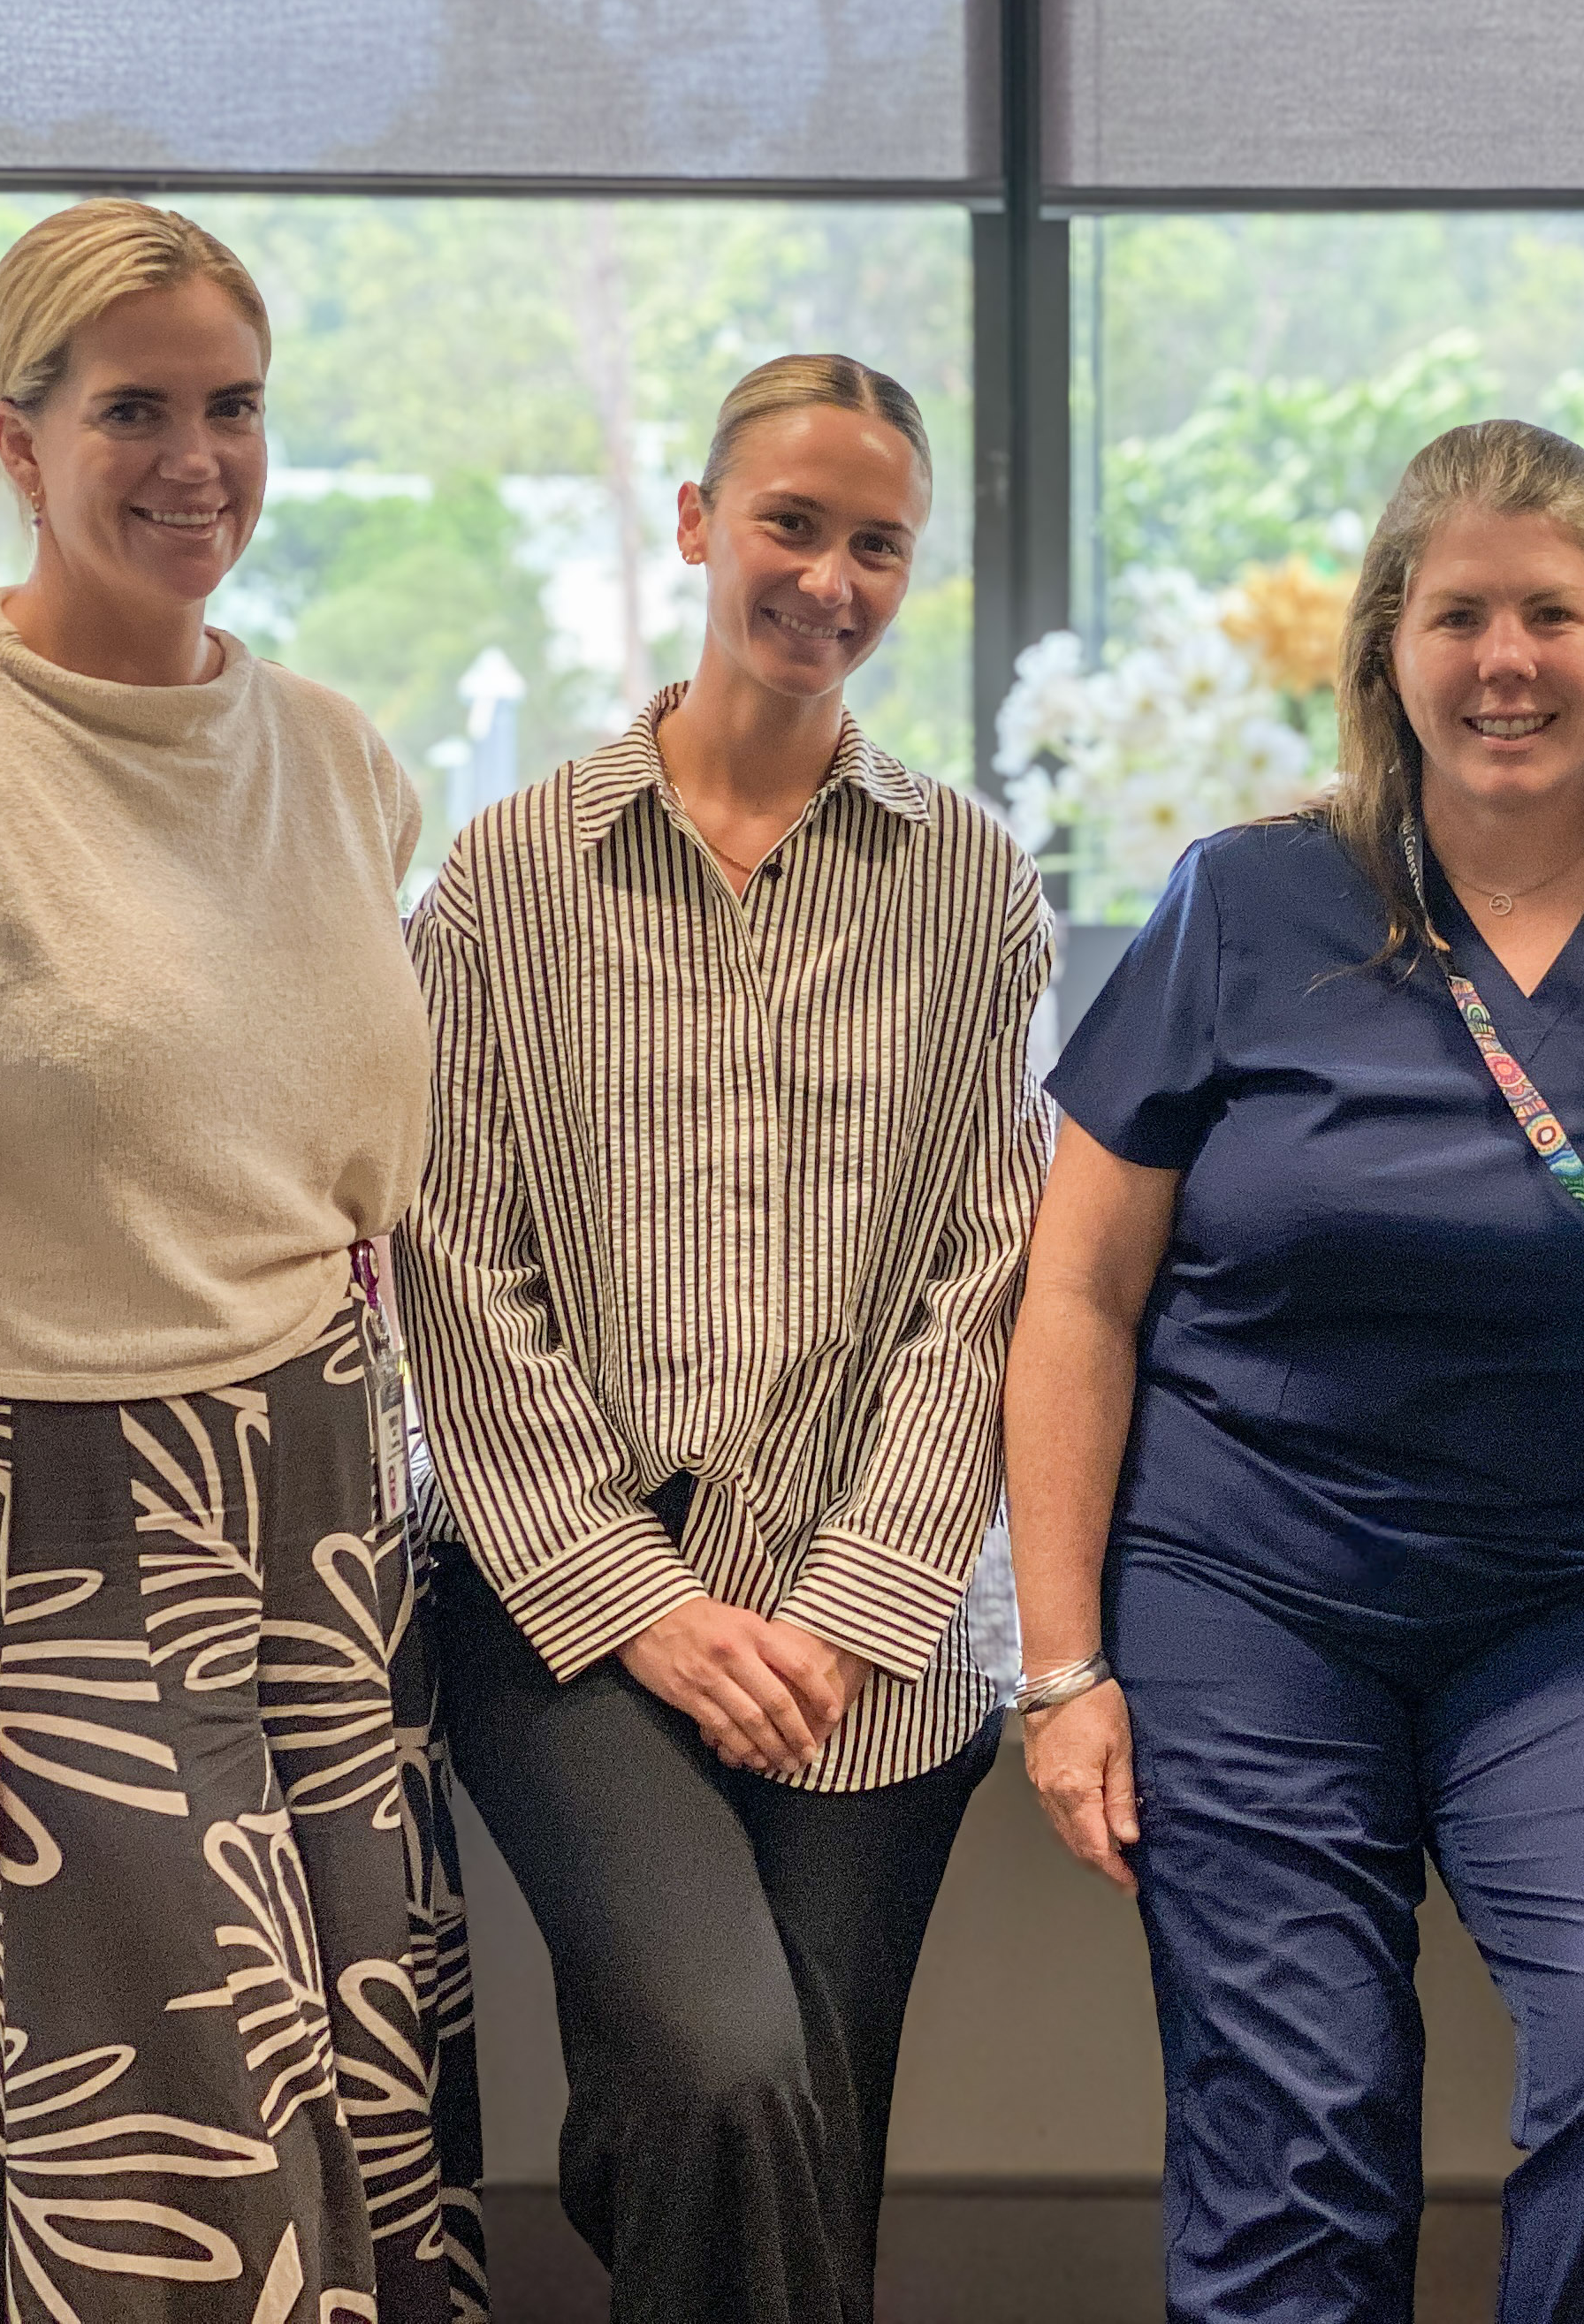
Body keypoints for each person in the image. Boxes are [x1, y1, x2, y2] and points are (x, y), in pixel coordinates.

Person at [0, 200, 482, 2324]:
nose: (196, 459)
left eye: (233, 407)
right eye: (133, 408)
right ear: (16, 438)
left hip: (311, 1515)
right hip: (17, 1538)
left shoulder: (335, 757)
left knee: (342, 2101)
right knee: (138, 2171)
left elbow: (312, 1157)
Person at [1006, 420, 1584, 2324]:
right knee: (1301, 2131)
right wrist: (1064, 1668)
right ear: (1390, 645)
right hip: (1250, 1599)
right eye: (1459, 613)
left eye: (1552, 611)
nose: (1505, 659)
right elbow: (1076, 1296)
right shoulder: (1250, 900)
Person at [397, 354, 1048, 2324]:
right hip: (565, 1613)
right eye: (790, 523)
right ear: (697, 522)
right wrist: (650, 1607)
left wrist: (850, 1609)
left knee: (794, 2131)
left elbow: (975, 1284)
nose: (829, 577)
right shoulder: (506, 882)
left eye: (879, 546)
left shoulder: (972, 887)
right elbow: (456, 1269)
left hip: (877, 1636)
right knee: (725, 2067)